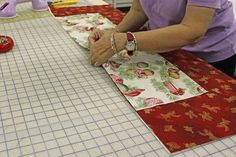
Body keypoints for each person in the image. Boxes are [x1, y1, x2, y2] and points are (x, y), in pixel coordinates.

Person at [89, 0, 236, 77]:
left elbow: (192, 31)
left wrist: (126, 40)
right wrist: (114, 34)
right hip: (164, 46)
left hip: (208, 56)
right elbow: (139, 10)